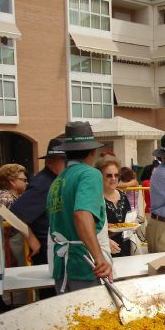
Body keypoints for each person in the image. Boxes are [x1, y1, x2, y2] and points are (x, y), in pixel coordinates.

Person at [47, 121, 112, 294]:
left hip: (63, 266)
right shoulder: (90, 174)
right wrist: (99, 258)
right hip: (85, 265)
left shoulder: (57, 181)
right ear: (92, 151)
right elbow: (81, 215)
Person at [11, 138, 66, 266]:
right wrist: (31, 238)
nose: (67, 163)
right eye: (63, 159)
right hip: (46, 250)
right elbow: (15, 212)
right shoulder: (43, 183)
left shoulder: (53, 179)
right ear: (49, 161)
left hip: (53, 246)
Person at [96, 156, 131, 258]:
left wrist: (134, 222)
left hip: (125, 248)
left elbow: (128, 218)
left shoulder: (123, 195)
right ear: (100, 176)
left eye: (116, 175)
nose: (113, 179)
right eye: (109, 175)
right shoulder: (95, 199)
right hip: (104, 251)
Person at [0, 163, 28, 267]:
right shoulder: (5, 198)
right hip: (11, 246)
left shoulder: (17, 196)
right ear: (12, 181)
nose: (27, 183)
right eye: (23, 180)